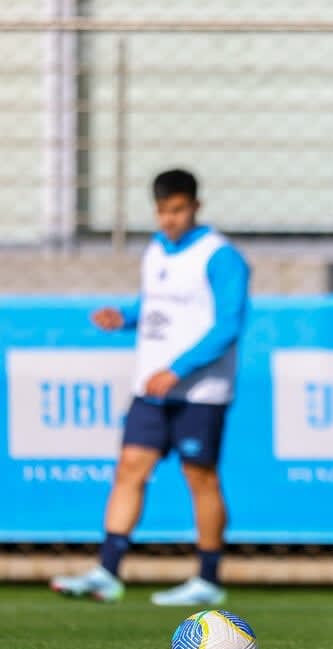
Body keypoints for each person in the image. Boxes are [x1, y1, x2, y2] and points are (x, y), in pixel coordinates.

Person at [50, 169, 251, 606]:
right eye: (162, 211)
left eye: (177, 210)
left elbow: (228, 325)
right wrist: (125, 318)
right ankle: (107, 571)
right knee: (129, 468)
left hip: (201, 392)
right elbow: (156, 309)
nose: (169, 220)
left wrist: (177, 369)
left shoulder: (221, 256)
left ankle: (208, 578)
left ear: (195, 206)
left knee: (200, 477)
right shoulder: (156, 250)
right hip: (152, 388)